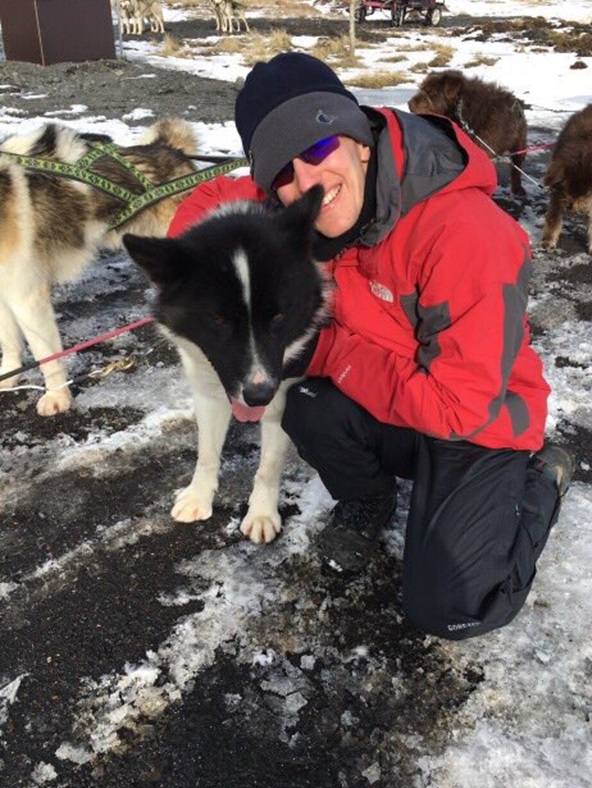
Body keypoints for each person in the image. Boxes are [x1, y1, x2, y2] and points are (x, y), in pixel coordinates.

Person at [168, 52, 575, 641]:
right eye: (281, 170)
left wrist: (328, 354)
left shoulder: (463, 231)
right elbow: (212, 199)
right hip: (399, 399)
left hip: (480, 420)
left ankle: (539, 480)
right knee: (308, 403)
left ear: (360, 140)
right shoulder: (298, 207)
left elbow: (459, 407)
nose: (305, 180)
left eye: (316, 149)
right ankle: (368, 497)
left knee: (453, 607)